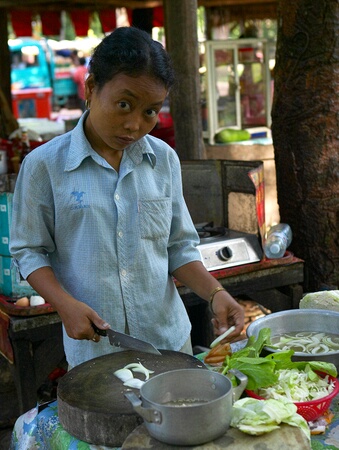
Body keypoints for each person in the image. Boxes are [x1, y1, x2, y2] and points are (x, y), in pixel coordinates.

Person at [10, 27, 244, 369]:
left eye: (150, 111)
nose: (135, 124)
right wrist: (64, 304)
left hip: (168, 342)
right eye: (124, 104)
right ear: (91, 88)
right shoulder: (45, 166)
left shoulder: (163, 160)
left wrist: (216, 294)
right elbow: (29, 251)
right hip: (97, 352)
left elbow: (178, 247)